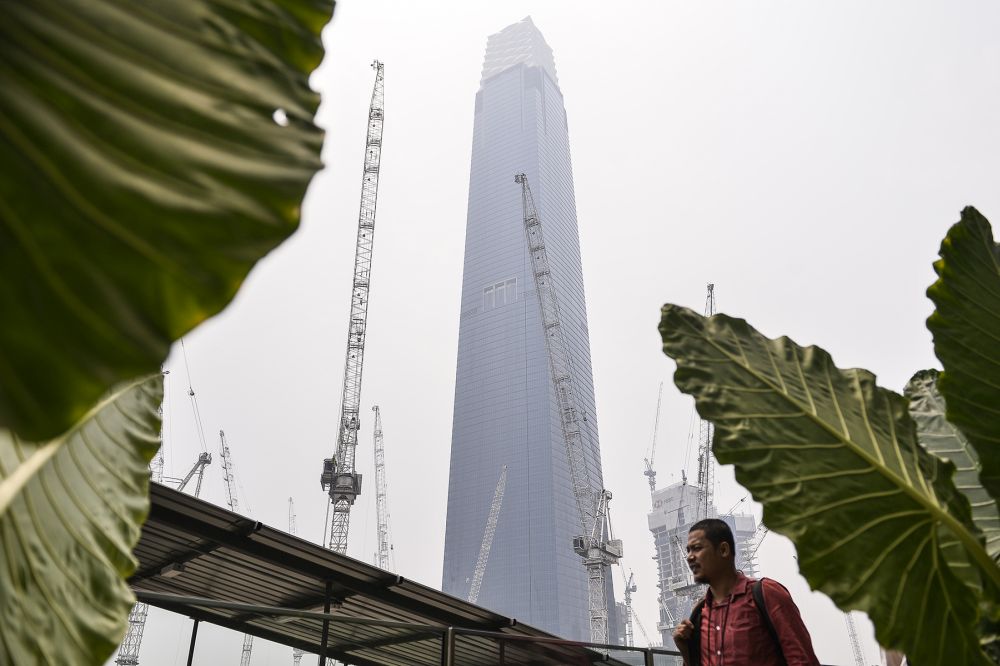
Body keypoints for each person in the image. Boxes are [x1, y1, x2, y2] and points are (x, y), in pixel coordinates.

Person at [672, 518, 820, 666]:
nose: (690, 557)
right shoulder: (699, 613)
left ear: (723, 550)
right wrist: (686, 652)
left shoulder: (766, 594)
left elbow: (802, 660)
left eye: (697, 548)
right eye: (688, 551)